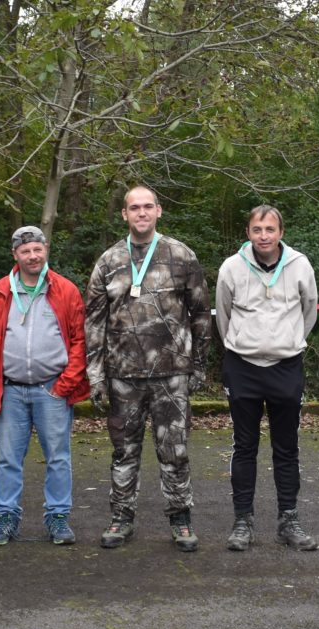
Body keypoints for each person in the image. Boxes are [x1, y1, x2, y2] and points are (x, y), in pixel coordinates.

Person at [84, 185, 212, 552]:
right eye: (134, 208)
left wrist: (199, 365)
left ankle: (181, 520)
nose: (141, 213)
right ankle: (121, 518)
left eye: (147, 207)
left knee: (175, 451)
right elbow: (93, 322)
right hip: (122, 376)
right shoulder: (109, 261)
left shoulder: (181, 256)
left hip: (171, 374)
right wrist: (95, 375)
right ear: (124, 215)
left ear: (159, 211)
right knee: (123, 452)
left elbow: (201, 313)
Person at [215, 205, 319, 552]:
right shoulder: (231, 267)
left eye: (270, 229)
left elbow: (309, 310)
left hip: (285, 367)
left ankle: (288, 519)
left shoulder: (300, 265)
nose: (264, 236)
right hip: (242, 366)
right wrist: (243, 344)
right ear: (248, 232)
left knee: (286, 447)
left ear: (281, 232)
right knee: (244, 447)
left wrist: (288, 343)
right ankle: (242, 520)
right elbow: (224, 314)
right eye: (257, 229)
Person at [0, 226, 90, 546]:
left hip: (52, 388)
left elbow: (80, 341)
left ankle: (57, 518)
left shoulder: (65, 290)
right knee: (8, 458)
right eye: (25, 251)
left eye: (37, 250)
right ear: (15, 255)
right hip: (10, 389)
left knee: (58, 456)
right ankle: (5, 518)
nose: (32, 256)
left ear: (46, 250)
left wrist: (65, 384)